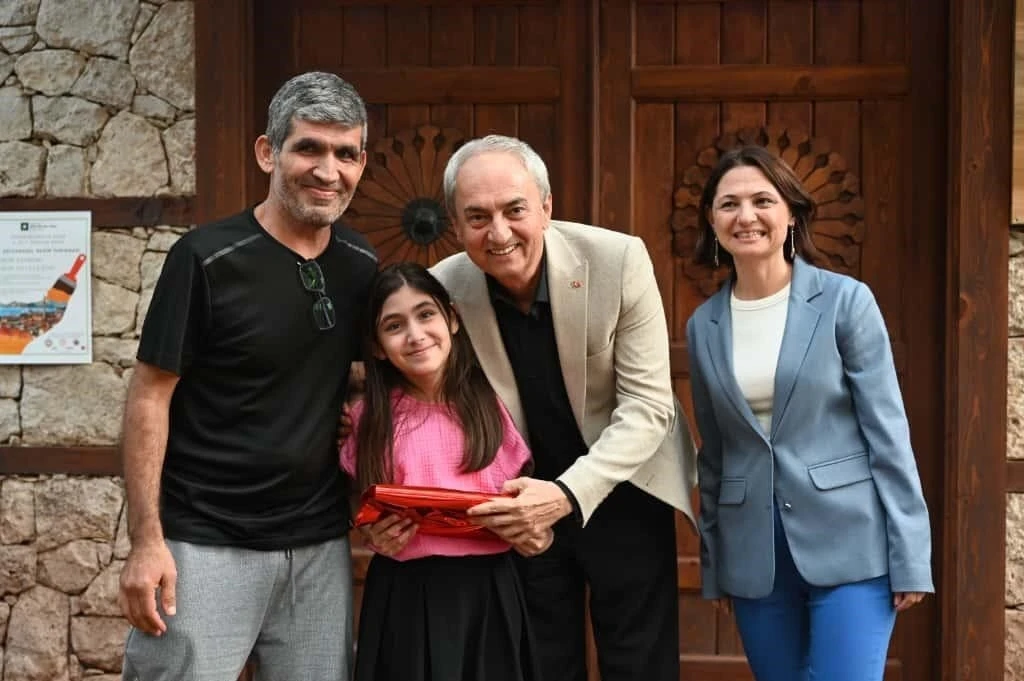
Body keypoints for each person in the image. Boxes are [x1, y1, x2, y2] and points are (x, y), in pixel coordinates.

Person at [117, 71, 377, 681]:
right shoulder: (205, 259)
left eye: (346, 154)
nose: (328, 170)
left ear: (362, 163)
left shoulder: (361, 263)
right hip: (204, 542)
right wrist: (147, 541)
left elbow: (354, 378)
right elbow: (150, 397)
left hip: (317, 547)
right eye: (309, 148)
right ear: (268, 152)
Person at [429, 135, 697, 681]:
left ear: (546, 207)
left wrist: (567, 494)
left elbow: (648, 407)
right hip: (521, 500)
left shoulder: (618, 260)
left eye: (515, 210)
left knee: (640, 666)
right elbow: (431, 404)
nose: (498, 233)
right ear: (455, 226)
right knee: (541, 664)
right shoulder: (443, 288)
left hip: (624, 486)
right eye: (477, 217)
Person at [685, 145, 933, 681]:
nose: (746, 216)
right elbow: (715, 455)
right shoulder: (703, 325)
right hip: (754, 556)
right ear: (712, 220)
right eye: (729, 204)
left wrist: (911, 553)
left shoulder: (846, 302)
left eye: (762, 201)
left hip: (852, 544)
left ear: (791, 214)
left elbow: (888, 434)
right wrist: (716, 564)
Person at [340, 262, 546, 681]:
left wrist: (535, 531)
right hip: (404, 594)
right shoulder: (367, 419)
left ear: (452, 318)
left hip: (490, 591)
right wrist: (369, 530)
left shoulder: (497, 402)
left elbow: (531, 504)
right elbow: (353, 501)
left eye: (426, 314)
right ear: (377, 347)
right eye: (394, 326)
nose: (415, 335)